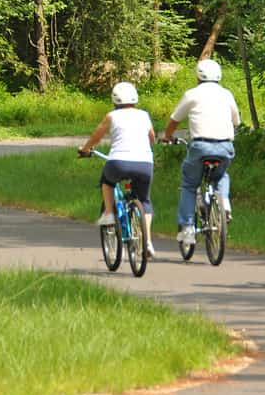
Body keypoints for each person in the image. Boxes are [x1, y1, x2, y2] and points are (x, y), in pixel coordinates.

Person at [161, 59, 241, 246]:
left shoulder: (192, 94)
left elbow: (174, 119)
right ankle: (225, 204)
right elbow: (236, 121)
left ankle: (188, 227)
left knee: (189, 184)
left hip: (200, 146)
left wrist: (167, 136)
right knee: (221, 175)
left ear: (198, 76)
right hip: (224, 147)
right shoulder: (226, 94)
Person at [78, 81, 157, 257]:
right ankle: (148, 242)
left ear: (114, 100)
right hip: (144, 163)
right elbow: (152, 137)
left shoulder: (111, 116)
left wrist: (85, 149)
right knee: (144, 201)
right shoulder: (144, 115)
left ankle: (108, 213)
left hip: (118, 162)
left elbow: (96, 136)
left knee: (107, 182)